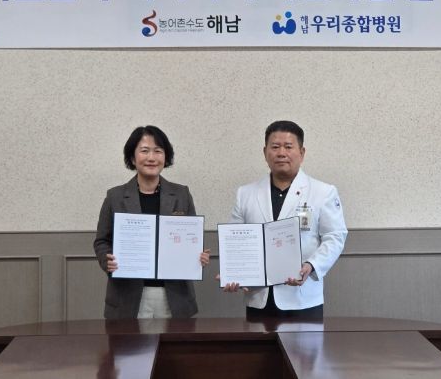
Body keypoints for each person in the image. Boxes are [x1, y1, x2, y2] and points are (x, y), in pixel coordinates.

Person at [224, 120, 347, 320]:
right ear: (265, 152)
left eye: (288, 147)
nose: (281, 153)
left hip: (302, 298)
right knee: (256, 342)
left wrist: (312, 265)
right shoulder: (245, 193)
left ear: (302, 152)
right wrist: (232, 273)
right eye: (275, 147)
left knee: (304, 343)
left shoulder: (323, 192)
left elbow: (335, 237)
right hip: (259, 299)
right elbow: (235, 241)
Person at [94, 125, 209, 319]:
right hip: (127, 295)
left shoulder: (182, 194)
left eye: (158, 151)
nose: (151, 157)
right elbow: (101, 241)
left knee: (175, 341)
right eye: (144, 151)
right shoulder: (115, 196)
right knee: (128, 340)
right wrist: (108, 261)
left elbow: (191, 238)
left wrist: (198, 256)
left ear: (165, 157)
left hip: (174, 295)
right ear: (132, 157)